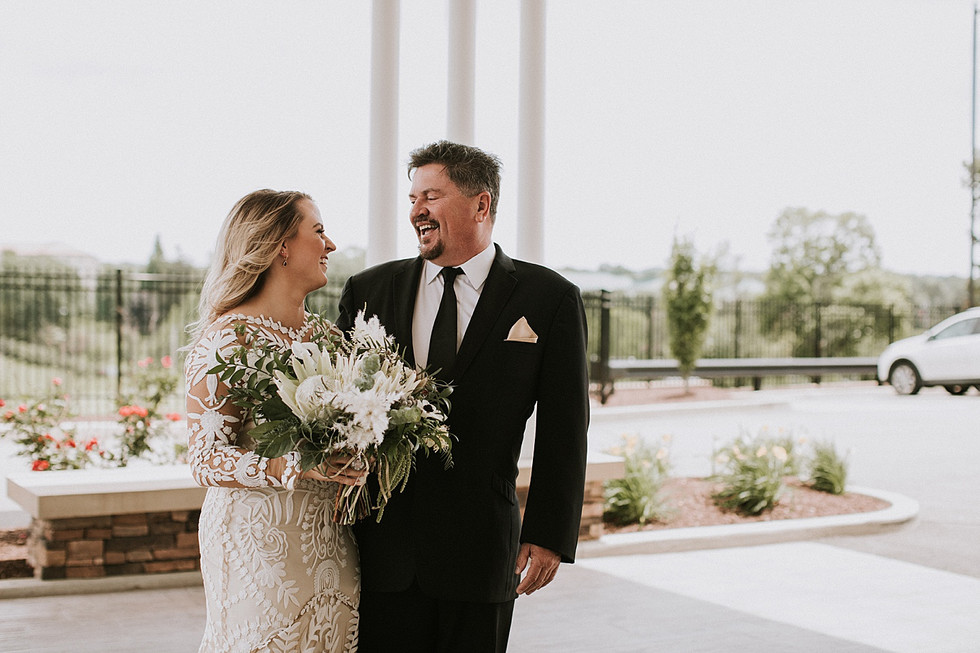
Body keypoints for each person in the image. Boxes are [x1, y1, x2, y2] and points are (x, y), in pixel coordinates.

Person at [337, 140, 590, 652]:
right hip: (385, 546)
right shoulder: (368, 291)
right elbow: (339, 408)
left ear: (481, 205)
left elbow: (566, 426)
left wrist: (549, 534)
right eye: (412, 199)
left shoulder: (549, 297)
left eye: (431, 195)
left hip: (482, 548)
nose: (417, 211)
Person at [185, 189, 367, 652]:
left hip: (329, 538)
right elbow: (205, 459)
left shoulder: (330, 339)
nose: (330, 245)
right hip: (257, 544)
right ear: (281, 246)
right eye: (319, 231)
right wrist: (290, 466)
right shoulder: (228, 339)